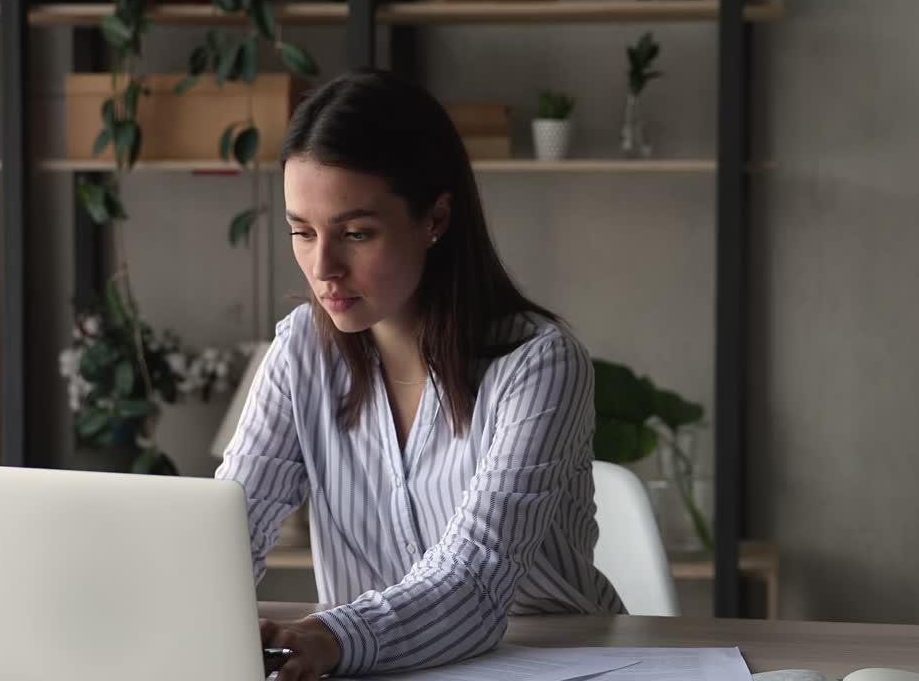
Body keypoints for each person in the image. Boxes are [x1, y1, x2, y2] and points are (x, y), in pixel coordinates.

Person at [214, 69, 624, 681]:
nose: (323, 267)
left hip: (555, 665)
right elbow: (228, 529)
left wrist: (331, 635)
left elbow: (475, 578)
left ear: (434, 219)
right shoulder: (300, 350)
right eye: (302, 232)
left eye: (356, 233)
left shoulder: (538, 365)